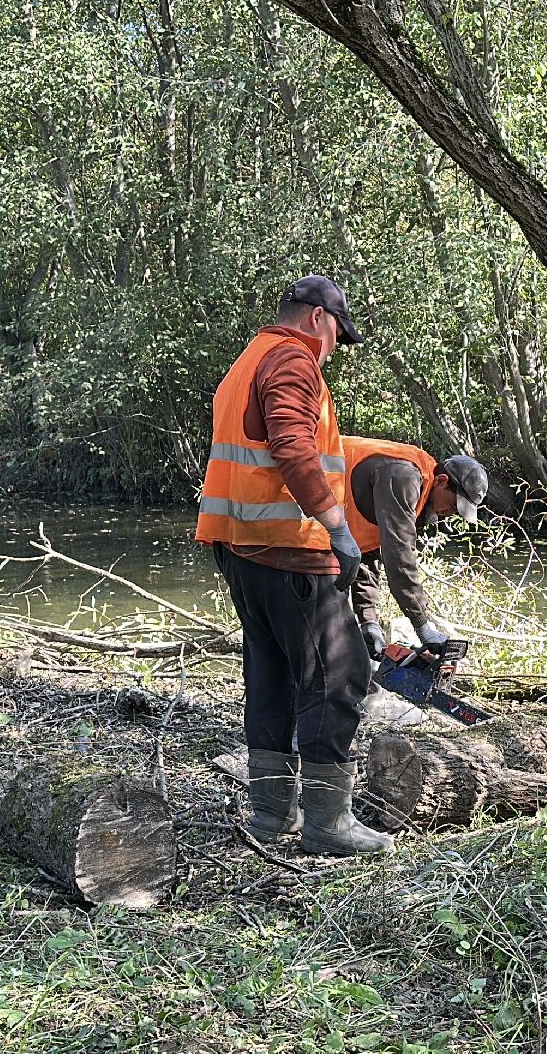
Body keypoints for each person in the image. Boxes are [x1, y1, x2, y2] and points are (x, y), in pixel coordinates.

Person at [196, 275, 393, 856]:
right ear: (315, 319)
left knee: (271, 675)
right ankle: (327, 823)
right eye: (336, 333)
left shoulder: (245, 361)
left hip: (241, 550)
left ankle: (269, 816)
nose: (334, 348)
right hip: (291, 550)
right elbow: (291, 446)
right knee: (339, 674)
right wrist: (337, 525)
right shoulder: (292, 359)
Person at [340, 435, 492, 658]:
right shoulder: (403, 476)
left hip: (321, 533)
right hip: (294, 522)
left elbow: (366, 547)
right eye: (452, 505)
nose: (448, 514)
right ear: (441, 481)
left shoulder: (418, 489)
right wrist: (423, 626)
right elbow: (399, 557)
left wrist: (368, 619)